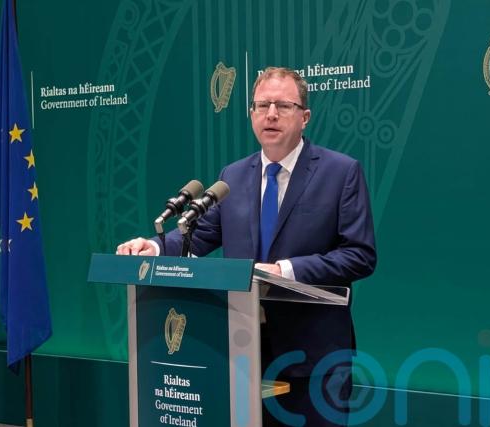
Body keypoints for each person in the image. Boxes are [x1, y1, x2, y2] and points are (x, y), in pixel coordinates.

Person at [117, 67, 376, 426]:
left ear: (305, 117)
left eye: (283, 106)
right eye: (262, 105)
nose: (271, 114)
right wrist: (154, 247)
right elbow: (198, 235)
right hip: (241, 348)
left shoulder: (341, 172)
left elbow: (359, 255)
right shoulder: (232, 177)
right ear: (251, 113)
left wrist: (284, 271)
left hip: (313, 358)